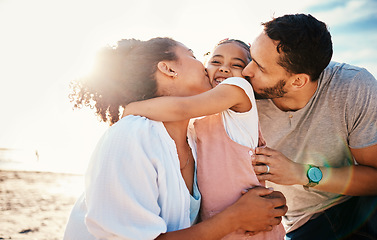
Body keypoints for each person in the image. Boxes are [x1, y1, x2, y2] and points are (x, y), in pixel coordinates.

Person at [63, 37, 287, 240]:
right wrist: (236, 218)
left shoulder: (197, 140)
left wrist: (262, 206)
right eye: (192, 55)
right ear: (168, 68)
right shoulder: (131, 135)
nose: (207, 66)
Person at [242, 13, 377, 240]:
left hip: (358, 203)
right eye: (251, 56)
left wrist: (301, 173)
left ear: (298, 81)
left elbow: (374, 178)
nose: (246, 70)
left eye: (260, 67)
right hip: (303, 223)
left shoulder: (353, 86)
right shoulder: (242, 96)